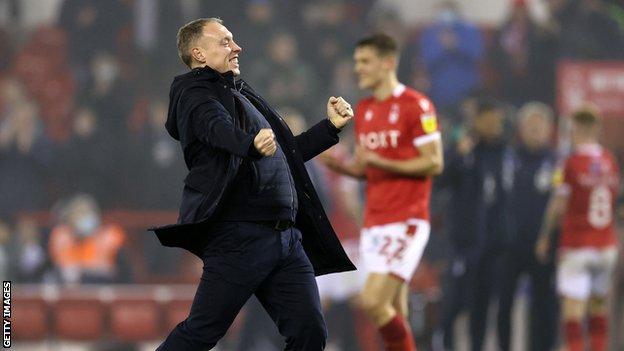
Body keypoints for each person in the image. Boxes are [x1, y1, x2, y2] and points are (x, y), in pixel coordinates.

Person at [150, 18, 356, 350]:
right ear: (198, 53)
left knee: (310, 333)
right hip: (240, 236)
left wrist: (328, 128)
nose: (236, 47)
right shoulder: (192, 92)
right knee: (202, 332)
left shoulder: (240, 94)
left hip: (285, 238)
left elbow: (285, 156)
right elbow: (214, 128)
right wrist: (248, 143)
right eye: (225, 41)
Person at [322, 33, 444, 351]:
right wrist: (336, 165)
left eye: (365, 62)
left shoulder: (417, 105)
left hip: (406, 219)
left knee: (373, 301)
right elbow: (368, 171)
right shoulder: (365, 110)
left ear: (388, 62)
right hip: (374, 223)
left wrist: (379, 159)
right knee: (395, 310)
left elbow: (433, 162)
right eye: (356, 62)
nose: (358, 69)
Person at [536, 106, 620, 351]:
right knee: (598, 309)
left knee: (573, 314)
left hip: (577, 246)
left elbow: (559, 205)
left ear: (576, 130)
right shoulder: (610, 161)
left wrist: (544, 236)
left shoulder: (570, 164)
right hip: (606, 246)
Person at [497, 102, 558, 351]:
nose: (535, 130)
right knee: (504, 305)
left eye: (540, 126)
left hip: (543, 245)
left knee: (544, 305)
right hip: (510, 245)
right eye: (530, 126)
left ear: (549, 129)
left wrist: (553, 238)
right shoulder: (508, 159)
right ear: (521, 129)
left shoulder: (556, 162)